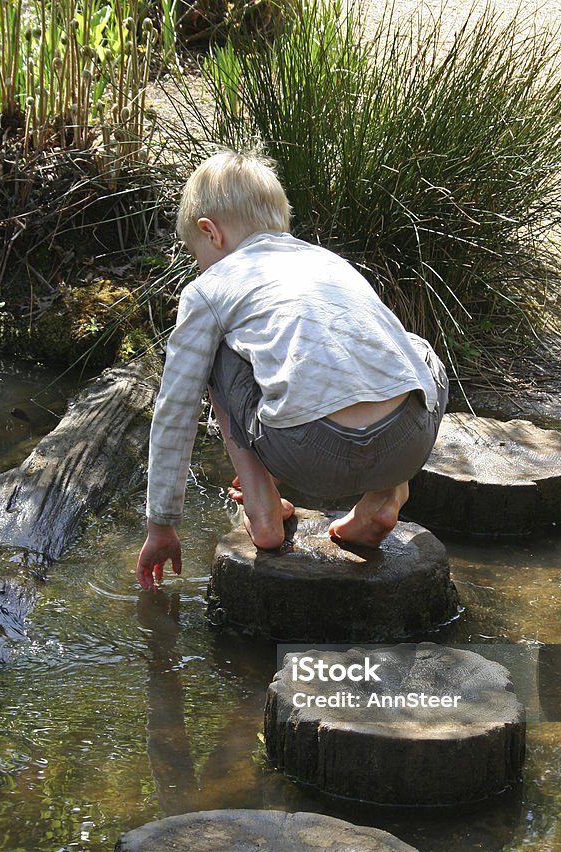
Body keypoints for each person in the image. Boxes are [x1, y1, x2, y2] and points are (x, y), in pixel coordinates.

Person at [136, 148, 449, 590]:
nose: (199, 265)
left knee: (216, 355)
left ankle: (262, 508)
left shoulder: (210, 287)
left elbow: (176, 409)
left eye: (196, 253)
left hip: (311, 453)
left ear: (211, 232)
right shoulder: (330, 263)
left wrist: (161, 524)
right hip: (407, 442)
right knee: (416, 350)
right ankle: (385, 496)